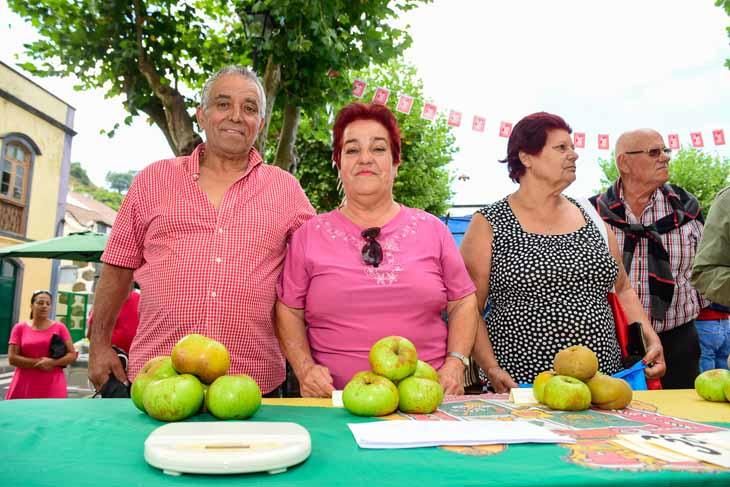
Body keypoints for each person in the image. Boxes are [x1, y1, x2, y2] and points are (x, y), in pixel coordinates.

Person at [88, 66, 315, 396]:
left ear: (261, 124)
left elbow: (318, 269)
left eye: (249, 108)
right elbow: (118, 268)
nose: (236, 116)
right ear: (202, 115)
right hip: (158, 380)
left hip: (252, 386)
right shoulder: (153, 180)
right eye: (223, 104)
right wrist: (99, 346)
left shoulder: (286, 190)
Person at [275, 102, 478, 397]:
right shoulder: (309, 236)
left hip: (426, 402)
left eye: (379, 149)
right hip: (336, 403)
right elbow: (288, 310)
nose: (365, 159)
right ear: (339, 163)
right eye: (352, 150)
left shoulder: (433, 230)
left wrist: (456, 363)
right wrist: (305, 369)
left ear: (396, 162)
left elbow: (463, 302)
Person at [461, 112, 665, 392]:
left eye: (572, 147)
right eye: (561, 148)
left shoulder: (591, 215)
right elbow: (468, 306)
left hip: (603, 384)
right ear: (526, 157)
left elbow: (623, 289)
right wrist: (491, 368)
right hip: (521, 388)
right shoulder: (489, 223)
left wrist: (650, 338)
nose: (574, 155)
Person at [591, 129, 705, 389]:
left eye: (666, 151)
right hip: (614, 339)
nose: (664, 158)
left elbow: (703, 270)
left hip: (679, 339)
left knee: (684, 420)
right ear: (624, 163)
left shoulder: (686, 208)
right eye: (654, 152)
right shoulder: (592, 215)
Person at [6, 290, 77, 399]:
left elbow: (72, 354)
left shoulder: (60, 327)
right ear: (31, 305)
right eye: (40, 303)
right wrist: (40, 362)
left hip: (53, 384)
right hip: (24, 383)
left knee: (52, 414)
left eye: (48, 304)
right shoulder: (19, 328)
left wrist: (53, 362)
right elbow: (12, 358)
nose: (44, 306)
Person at [692, 187, 730, 371]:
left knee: (712, 364)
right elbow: (706, 271)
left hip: (717, 322)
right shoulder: (727, 200)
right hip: (712, 321)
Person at [87, 284, 140, 357]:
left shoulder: (140, 299)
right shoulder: (105, 302)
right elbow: (91, 335)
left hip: (137, 355)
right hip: (113, 356)